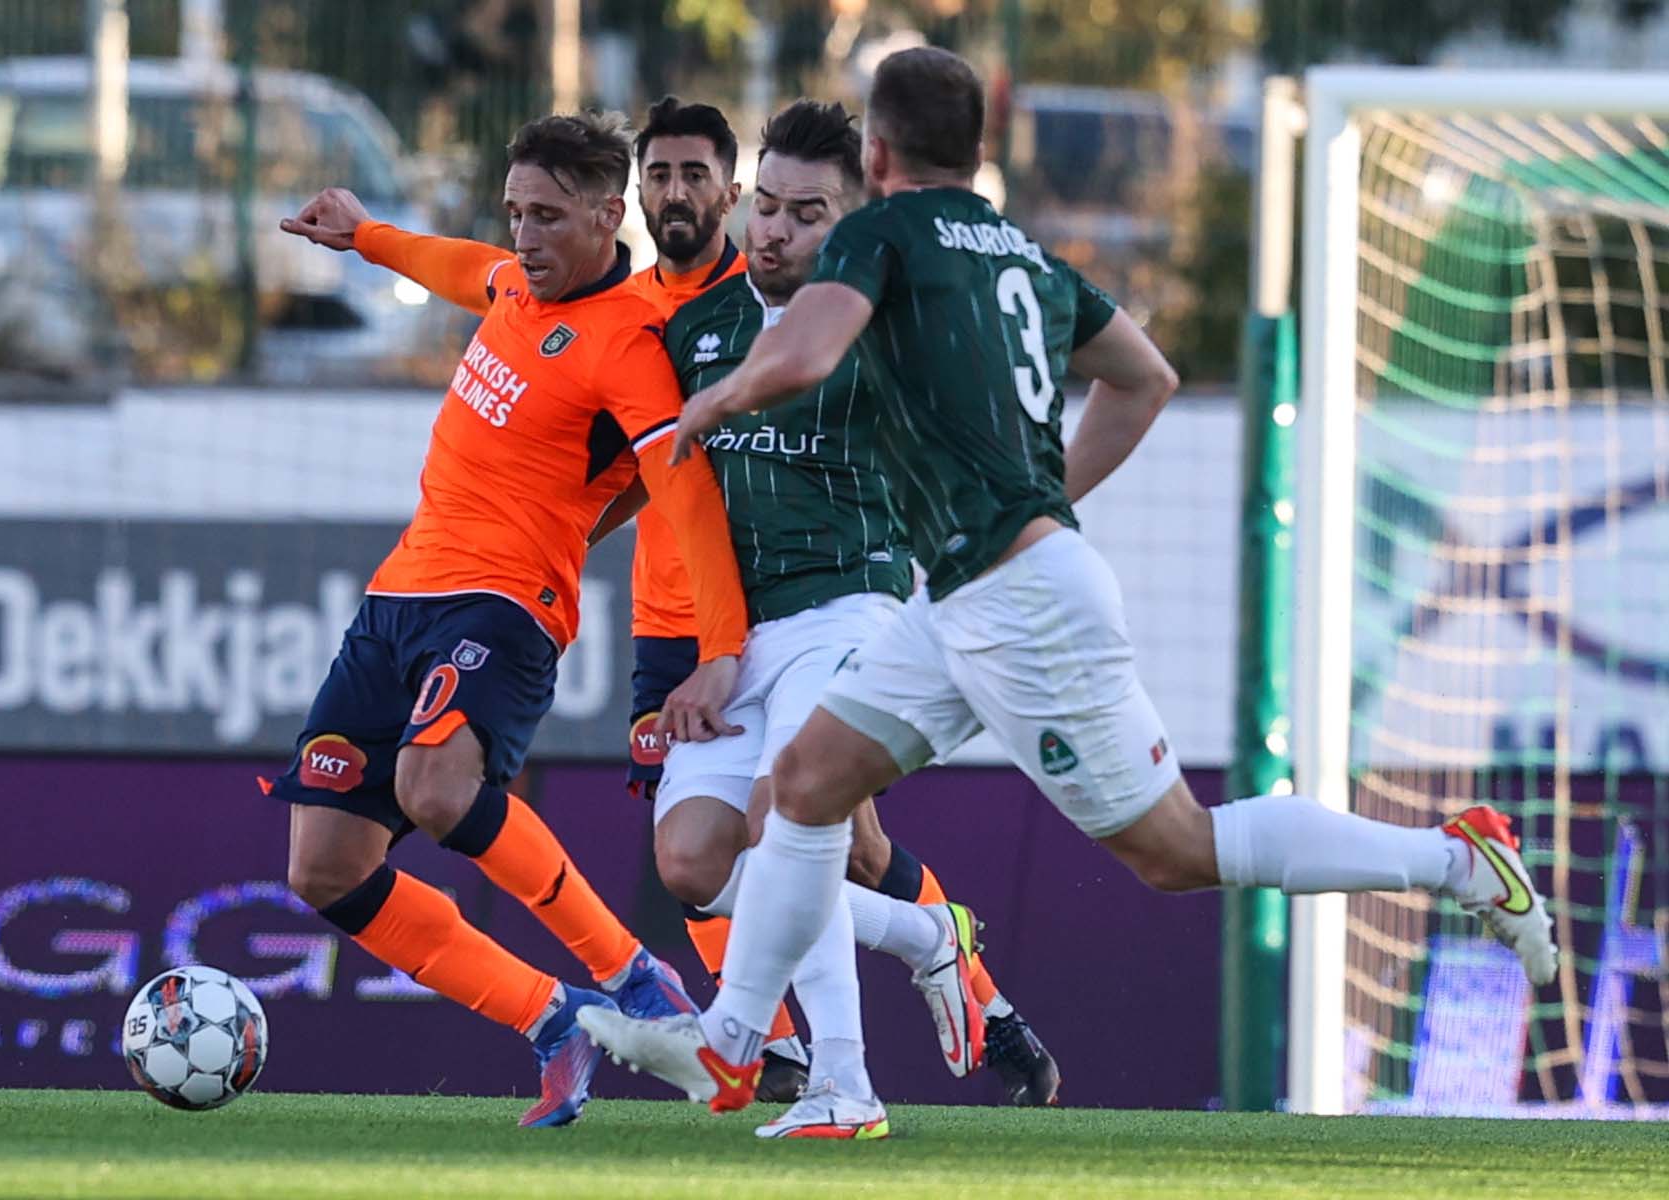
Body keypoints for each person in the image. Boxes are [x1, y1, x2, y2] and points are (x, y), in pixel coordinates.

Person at [577, 46, 1560, 1112]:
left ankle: (1456, 862)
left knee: (1174, 848)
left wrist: (719, 404)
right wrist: (1045, 499)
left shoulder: (881, 230)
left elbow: (807, 353)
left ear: (879, 151)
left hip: (1015, 603)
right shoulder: (1021, 252)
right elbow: (1148, 377)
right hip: (956, 594)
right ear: (980, 147)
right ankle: (747, 1048)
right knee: (808, 787)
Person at [269, 110, 749, 1129]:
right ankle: (549, 1019)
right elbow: (464, 268)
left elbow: (686, 492)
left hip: (506, 602)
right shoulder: (512, 285)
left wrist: (723, 646)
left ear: (604, 214)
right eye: (515, 213)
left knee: (437, 787)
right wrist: (366, 235)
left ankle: (630, 974)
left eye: (544, 217)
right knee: (322, 866)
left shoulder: (629, 344)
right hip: (397, 599)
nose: (523, 237)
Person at [616, 96, 1062, 1120]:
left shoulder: (888, 332)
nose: (773, 228)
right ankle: (920, 938)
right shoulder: (696, 332)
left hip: (850, 615)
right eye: (766, 205)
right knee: (692, 861)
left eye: (806, 214)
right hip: (738, 640)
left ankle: (842, 1083)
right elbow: (651, 485)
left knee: (791, 824)